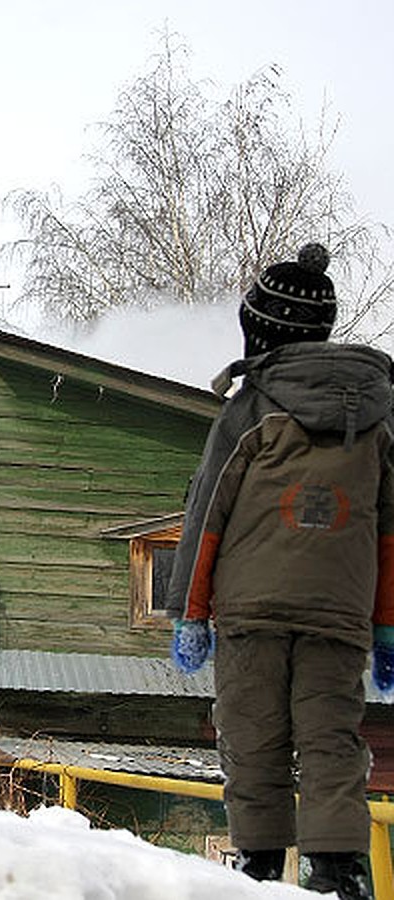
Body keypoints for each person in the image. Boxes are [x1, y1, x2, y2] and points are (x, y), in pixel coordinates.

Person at [168, 244, 391, 900]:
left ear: (261, 330)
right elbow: (391, 528)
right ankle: (339, 869)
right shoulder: (381, 412)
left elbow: (208, 507)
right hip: (341, 611)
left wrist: (189, 607)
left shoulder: (251, 404)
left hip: (253, 606)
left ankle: (261, 864)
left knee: (251, 732)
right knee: (331, 736)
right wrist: (388, 628)